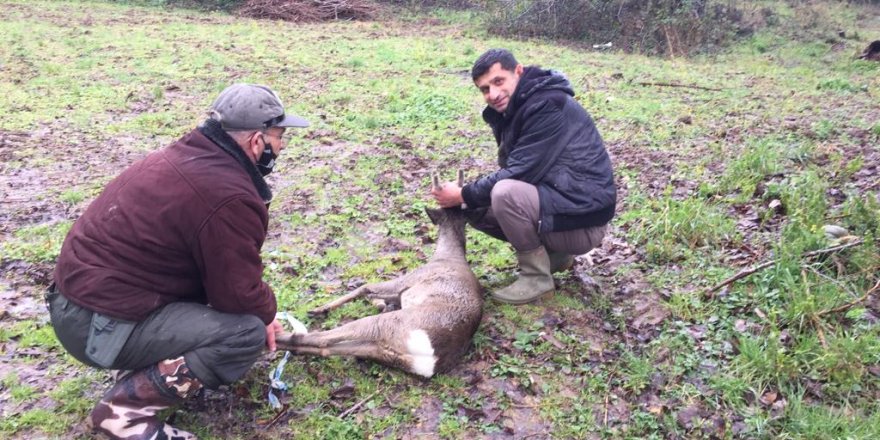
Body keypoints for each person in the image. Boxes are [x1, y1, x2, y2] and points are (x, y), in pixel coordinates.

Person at [47, 84, 308, 439]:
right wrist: (265, 314)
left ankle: (148, 365)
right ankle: (124, 413)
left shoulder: (186, 155)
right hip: (94, 326)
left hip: (74, 303)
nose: (281, 147)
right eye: (279, 137)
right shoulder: (228, 195)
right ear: (256, 142)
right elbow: (236, 294)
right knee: (243, 333)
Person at [432, 49, 616, 305]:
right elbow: (520, 169)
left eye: (498, 81)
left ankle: (536, 279)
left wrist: (462, 193)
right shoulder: (520, 106)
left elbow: (518, 173)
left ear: (518, 72)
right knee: (474, 206)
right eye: (484, 89)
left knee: (504, 193)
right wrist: (468, 199)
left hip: (583, 223)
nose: (493, 94)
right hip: (566, 208)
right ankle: (557, 256)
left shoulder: (547, 106)